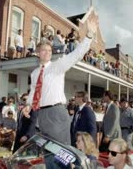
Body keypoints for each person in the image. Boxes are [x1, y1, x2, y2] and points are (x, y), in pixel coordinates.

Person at [22, 16, 99, 145]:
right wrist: (28, 106)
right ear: (37, 53)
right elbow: (34, 92)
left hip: (56, 113)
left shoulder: (57, 66)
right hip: (41, 114)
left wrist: (89, 35)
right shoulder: (35, 73)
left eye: (49, 50)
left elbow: (77, 54)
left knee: (61, 154)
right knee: (47, 153)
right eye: (43, 50)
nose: (47, 53)